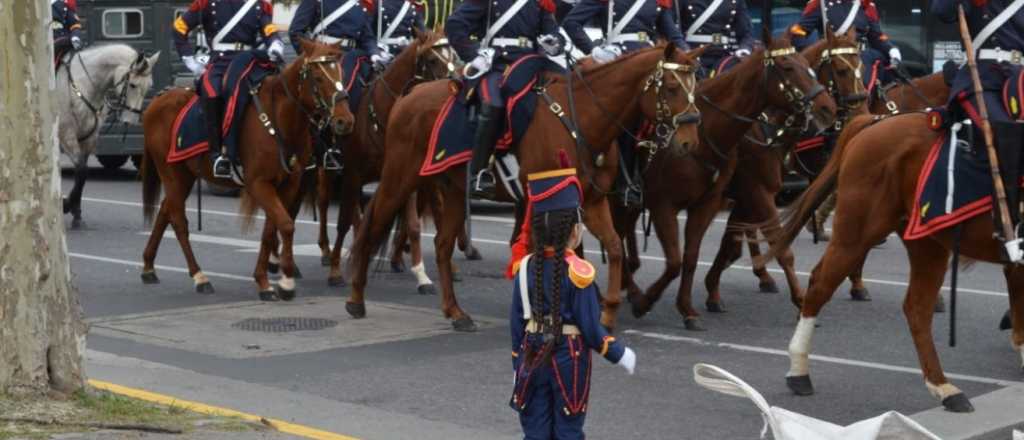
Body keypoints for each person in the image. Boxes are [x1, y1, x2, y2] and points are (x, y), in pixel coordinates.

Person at [509, 167, 636, 439]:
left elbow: (515, 325)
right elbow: (591, 328)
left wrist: (516, 364)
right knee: (568, 430)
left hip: (531, 352)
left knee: (535, 431)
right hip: (569, 356)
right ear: (575, 231)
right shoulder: (579, 272)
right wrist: (617, 353)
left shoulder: (524, 268)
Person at [562, 0, 686, 207]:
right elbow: (572, 22)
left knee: (673, 109)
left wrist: (687, 56)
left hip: (649, 65)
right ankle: (626, 181)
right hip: (617, 64)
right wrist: (595, 50)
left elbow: (673, 35)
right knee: (624, 119)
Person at [446, 0, 565, 199]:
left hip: (531, 64)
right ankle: (478, 171)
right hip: (497, 64)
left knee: (568, 89)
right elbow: (455, 24)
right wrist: (474, 54)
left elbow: (553, 31)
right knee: (493, 104)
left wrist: (555, 43)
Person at [174, 0, 286, 178]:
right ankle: (218, 154)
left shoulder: (258, 4)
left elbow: (268, 29)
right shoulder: (206, 3)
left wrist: (275, 43)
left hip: (250, 61)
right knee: (213, 92)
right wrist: (190, 60)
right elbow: (180, 27)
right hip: (220, 61)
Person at [290, 0, 393, 169]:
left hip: (351, 55)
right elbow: (296, 31)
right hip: (321, 59)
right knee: (341, 90)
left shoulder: (358, 5)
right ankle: (323, 147)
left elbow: (367, 38)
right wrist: (311, 58)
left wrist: (374, 53)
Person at [790, 0, 902, 89]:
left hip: (859, 56)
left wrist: (892, 50)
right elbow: (799, 31)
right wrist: (807, 55)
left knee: (886, 80)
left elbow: (877, 36)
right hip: (832, 58)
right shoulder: (821, 3)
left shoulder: (865, 5)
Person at [677, 0, 755, 79]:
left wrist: (744, 49)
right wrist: (684, 48)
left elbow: (747, 33)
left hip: (722, 56)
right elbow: (673, 29)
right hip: (692, 54)